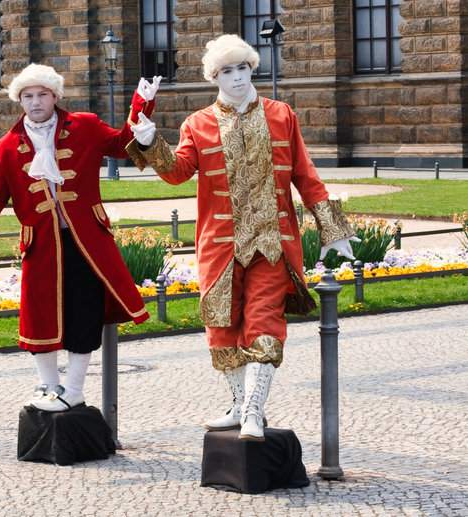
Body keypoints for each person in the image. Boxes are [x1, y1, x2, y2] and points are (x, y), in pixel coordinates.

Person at [127, 34, 358, 441]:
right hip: (219, 244)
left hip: (272, 241)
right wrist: (149, 143)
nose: (236, 78)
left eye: (242, 68)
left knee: (264, 322)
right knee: (221, 326)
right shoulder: (196, 124)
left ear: (253, 68)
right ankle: (237, 404)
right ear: (213, 77)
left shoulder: (282, 114)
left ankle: (254, 410)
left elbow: (305, 174)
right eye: (226, 71)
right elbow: (177, 171)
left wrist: (332, 227)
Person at [0, 64, 162, 412]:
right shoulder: (4, 148)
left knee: (83, 313)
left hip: (86, 241)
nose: (35, 102)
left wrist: (142, 107)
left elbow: (122, 144)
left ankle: (73, 389)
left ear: (55, 96)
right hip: (40, 245)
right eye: (27, 96)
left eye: (42, 94)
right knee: (40, 314)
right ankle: (48, 386)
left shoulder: (85, 126)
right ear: (19, 101)